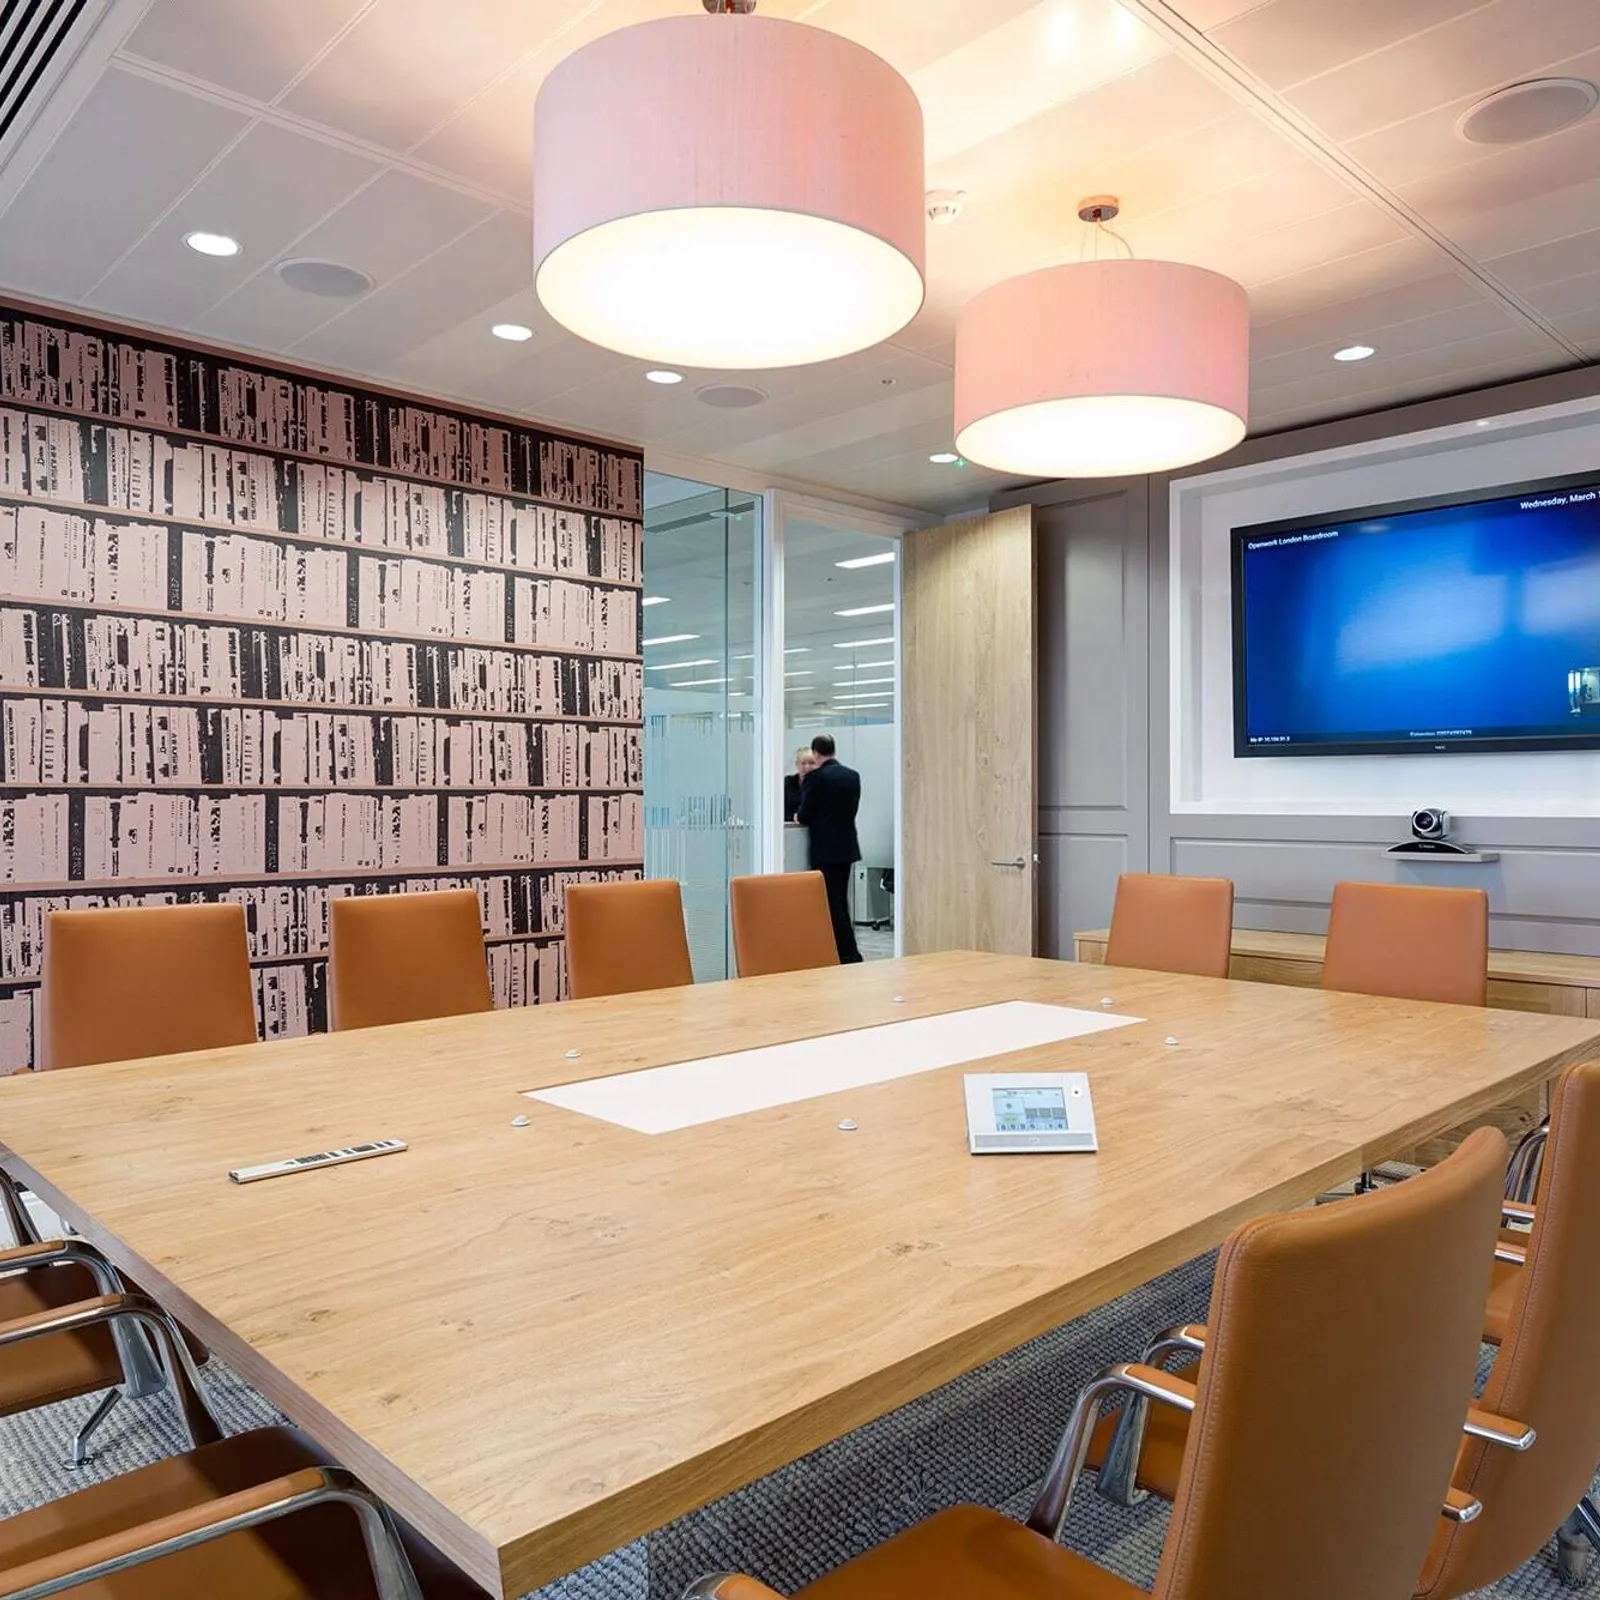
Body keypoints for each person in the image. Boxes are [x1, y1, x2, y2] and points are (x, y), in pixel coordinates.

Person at [796, 732, 862, 963]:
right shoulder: (852, 776)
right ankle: (848, 952)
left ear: (815, 753)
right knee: (841, 902)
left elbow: (805, 814)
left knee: (831, 904)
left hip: (825, 850)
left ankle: (847, 953)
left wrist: (799, 815)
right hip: (846, 847)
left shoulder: (816, 778)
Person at [782, 746, 816, 823]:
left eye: (811, 763)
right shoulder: (788, 782)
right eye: (803, 763)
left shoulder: (821, 785)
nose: (807, 767)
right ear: (797, 765)